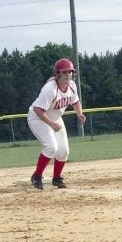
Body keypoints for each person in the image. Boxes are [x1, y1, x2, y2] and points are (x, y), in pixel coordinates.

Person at [27, 58, 86, 190]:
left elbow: (75, 102)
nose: (69, 75)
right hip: (37, 118)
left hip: (55, 118)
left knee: (64, 150)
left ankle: (57, 178)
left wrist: (79, 113)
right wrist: (52, 124)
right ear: (58, 74)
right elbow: (38, 109)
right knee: (51, 147)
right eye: (65, 72)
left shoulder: (72, 86)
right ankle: (37, 176)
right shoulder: (50, 89)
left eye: (71, 72)